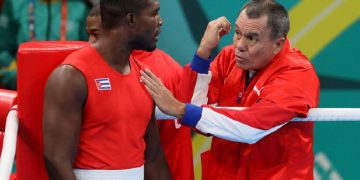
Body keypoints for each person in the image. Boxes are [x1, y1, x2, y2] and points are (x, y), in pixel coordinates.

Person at [140, 0, 320, 179]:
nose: (240, 45)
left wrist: (179, 109)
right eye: (238, 33)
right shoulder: (228, 58)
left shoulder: (298, 74)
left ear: (277, 44)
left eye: (252, 38)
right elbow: (196, 117)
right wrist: (203, 52)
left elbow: (251, 127)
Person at [43, 0, 171, 179]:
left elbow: (153, 160)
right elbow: (56, 159)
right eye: (154, 13)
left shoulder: (145, 76)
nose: (159, 21)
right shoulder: (71, 76)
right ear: (132, 19)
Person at [85, 4, 194, 180]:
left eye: (96, 35)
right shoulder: (172, 66)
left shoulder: (134, 72)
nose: (90, 43)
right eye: (88, 34)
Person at [0, 0, 92, 90]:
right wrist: (16, 75)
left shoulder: (80, 7)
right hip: (21, 86)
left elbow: (88, 52)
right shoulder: (15, 3)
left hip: (68, 87)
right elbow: (3, 48)